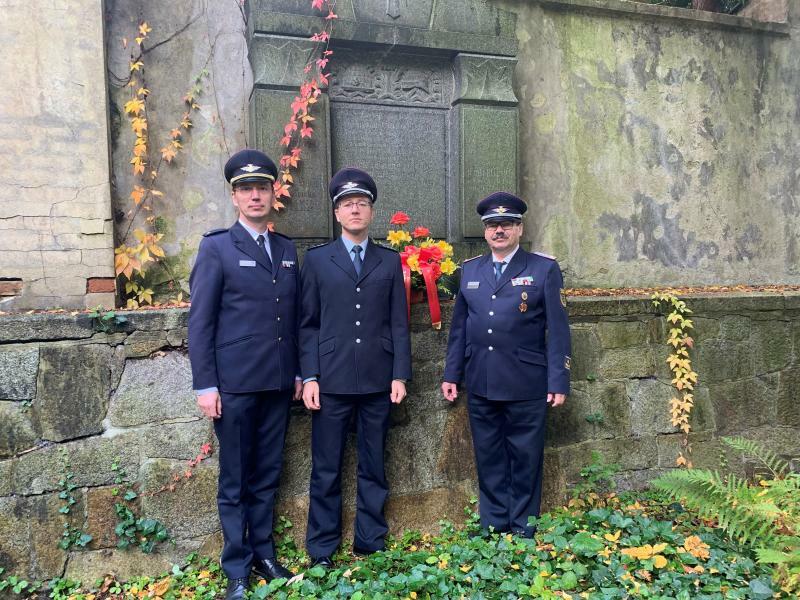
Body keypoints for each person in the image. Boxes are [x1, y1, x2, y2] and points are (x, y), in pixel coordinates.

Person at [188, 149, 302, 600]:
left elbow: (292, 319)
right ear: (235, 197)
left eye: (262, 188)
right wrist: (205, 384)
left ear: (274, 194)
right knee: (235, 478)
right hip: (233, 385)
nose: (255, 196)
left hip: (276, 383)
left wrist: (296, 374)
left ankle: (265, 554)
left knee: (268, 474)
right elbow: (201, 322)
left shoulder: (287, 249)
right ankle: (237, 567)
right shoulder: (216, 247)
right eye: (245, 189)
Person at [299, 167, 412, 567]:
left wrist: (400, 374)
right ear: (337, 213)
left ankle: (370, 541)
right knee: (326, 469)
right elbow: (307, 323)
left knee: (374, 464)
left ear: (370, 212)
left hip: (379, 379)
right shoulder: (316, 261)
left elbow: (399, 322)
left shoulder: (389, 261)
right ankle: (322, 550)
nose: (355, 210)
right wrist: (309, 376)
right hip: (330, 380)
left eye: (362, 204)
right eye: (348, 204)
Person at [441, 191, 571, 538]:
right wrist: (451, 373)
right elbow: (459, 330)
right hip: (481, 379)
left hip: (527, 382)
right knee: (489, 456)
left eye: (507, 224)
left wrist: (558, 380)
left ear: (519, 228)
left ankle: (524, 527)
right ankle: (494, 524)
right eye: (493, 225)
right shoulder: (470, 271)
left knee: (526, 458)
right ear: (485, 231)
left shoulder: (543, 269)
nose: (499, 230)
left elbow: (558, 330)